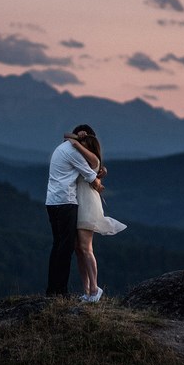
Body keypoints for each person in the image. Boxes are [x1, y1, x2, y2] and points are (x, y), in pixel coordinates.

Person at [64, 131, 127, 303]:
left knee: (85, 248)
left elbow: (72, 142)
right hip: (79, 205)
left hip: (87, 205)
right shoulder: (81, 162)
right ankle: (87, 290)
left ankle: (94, 288)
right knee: (78, 250)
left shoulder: (93, 161)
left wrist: (77, 143)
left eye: (85, 145)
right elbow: (66, 136)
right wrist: (77, 138)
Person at [45, 124, 103, 297]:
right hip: (66, 202)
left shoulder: (61, 148)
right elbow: (91, 177)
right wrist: (99, 182)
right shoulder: (73, 152)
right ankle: (60, 291)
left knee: (57, 246)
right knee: (66, 247)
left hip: (52, 201)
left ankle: (53, 289)